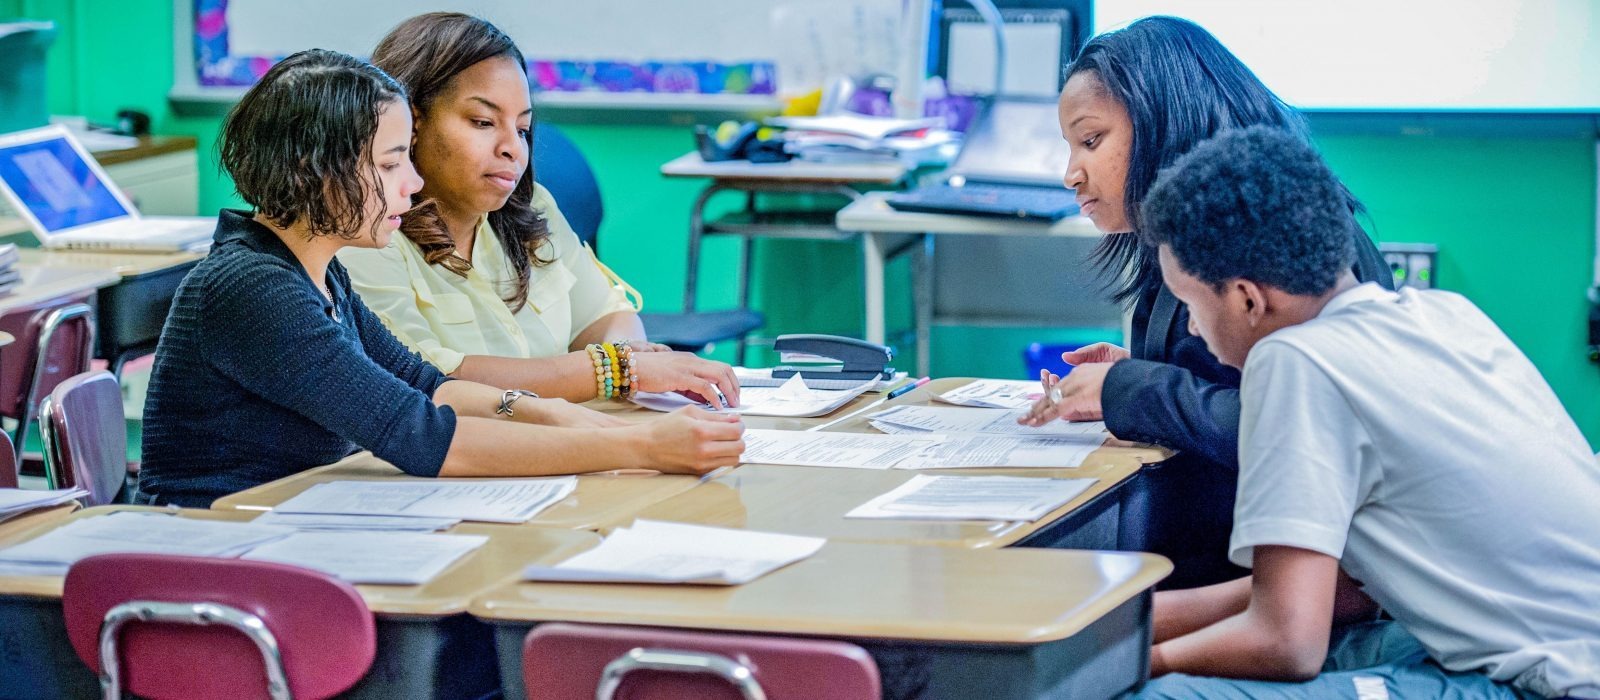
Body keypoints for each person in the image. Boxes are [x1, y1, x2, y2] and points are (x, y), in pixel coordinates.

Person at [139, 49, 744, 508]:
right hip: (213, 550)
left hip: (285, 526)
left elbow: (426, 384)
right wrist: (638, 447)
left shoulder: (313, 272)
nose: (414, 183)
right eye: (389, 163)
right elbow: (423, 435)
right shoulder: (251, 287)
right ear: (312, 170)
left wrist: (560, 417)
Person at [1132, 125, 1600, 699]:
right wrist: (1120, 625)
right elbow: (1346, 593)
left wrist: (1131, 664)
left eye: (1190, 304)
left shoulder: (1295, 360)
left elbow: (1284, 641)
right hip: (1575, 649)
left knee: (1155, 695)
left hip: (1552, 684)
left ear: (1248, 299)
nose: (1196, 331)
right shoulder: (1445, 315)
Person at [1017, 16, 1394, 588]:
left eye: (1092, 141)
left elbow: (1295, 429)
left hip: (1272, 586)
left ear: (1164, 123)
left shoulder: (1275, 241)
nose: (1072, 173)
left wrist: (1137, 390)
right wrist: (1136, 375)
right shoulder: (1178, 236)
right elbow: (1228, 390)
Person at [337, 12, 740, 409]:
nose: (513, 148)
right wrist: (616, 370)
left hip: (557, 445)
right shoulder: (364, 233)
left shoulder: (529, 208)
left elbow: (602, 316)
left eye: (523, 129)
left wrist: (629, 357)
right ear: (409, 122)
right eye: (482, 122)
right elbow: (423, 380)